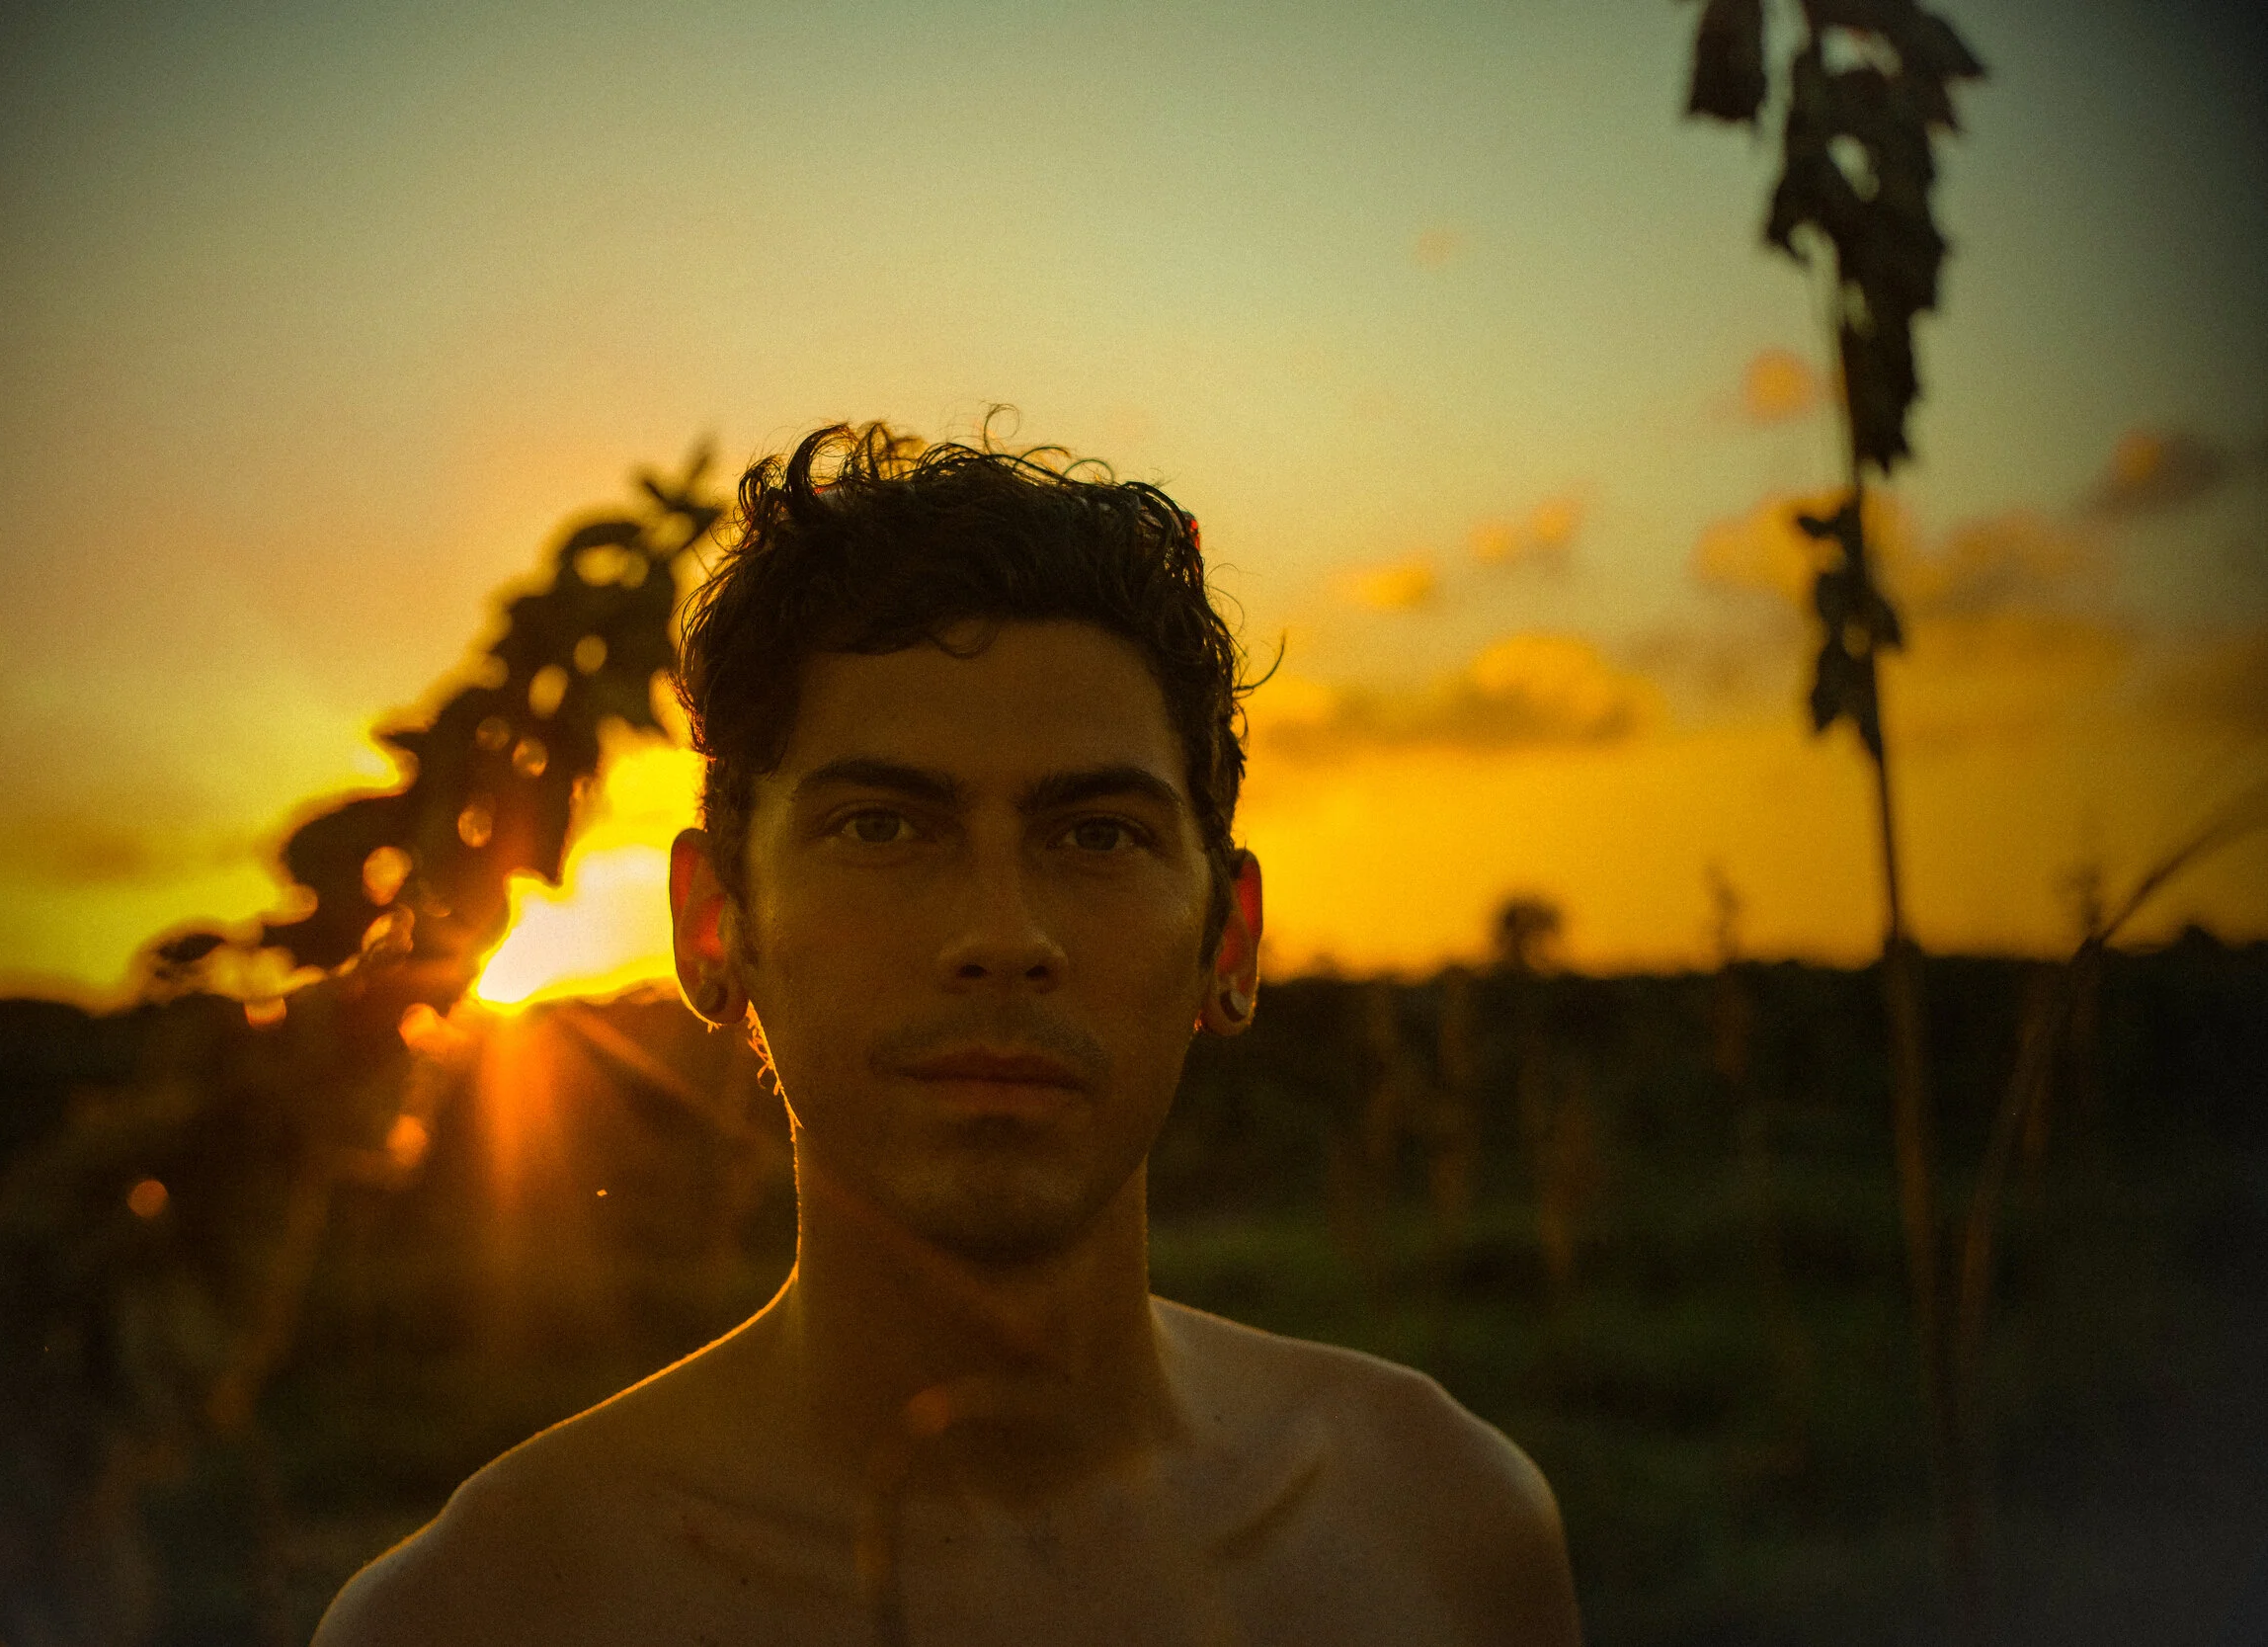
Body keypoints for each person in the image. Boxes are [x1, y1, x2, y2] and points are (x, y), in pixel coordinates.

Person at [315, 423, 1582, 1645]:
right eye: (883, 826)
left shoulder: (1441, 1532)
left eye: (1097, 834)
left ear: (1229, 940)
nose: (1000, 933)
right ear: (714, 923)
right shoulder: (487, 1611)